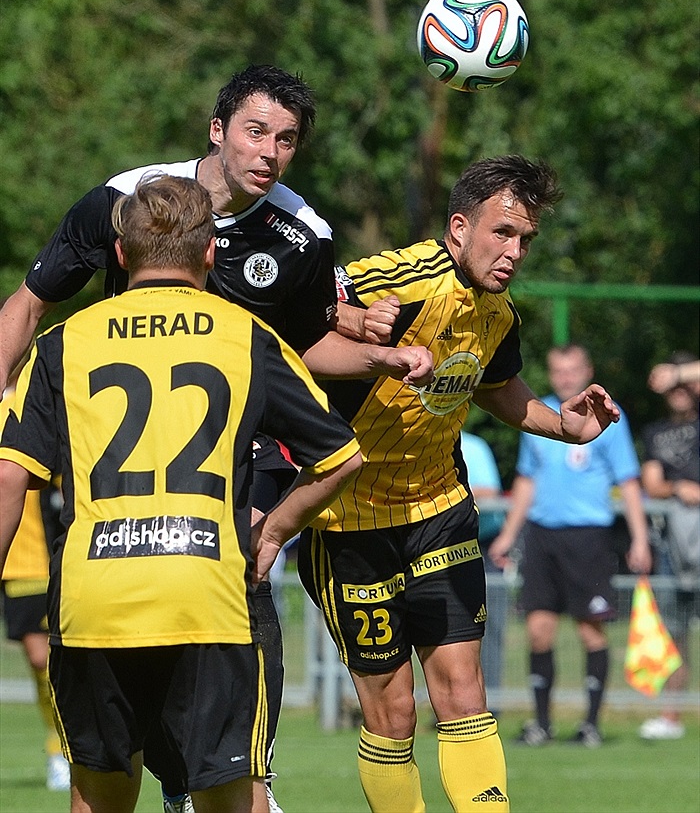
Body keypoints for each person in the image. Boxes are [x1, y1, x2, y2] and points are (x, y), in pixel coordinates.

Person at [0, 64, 431, 813]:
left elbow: (303, 350)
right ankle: (223, 780)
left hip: (195, 492)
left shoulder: (303, 235)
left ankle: (232, 774)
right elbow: (31, 296)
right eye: (256, 131)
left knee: (121, 769)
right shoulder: (124, 199)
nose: (270, 152)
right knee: (219, 642)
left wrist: (378, 357)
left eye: (287, 139)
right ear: (217, 130)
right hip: (169, 505)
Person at [296, 155, 628, 813]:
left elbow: (500, 389)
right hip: (346, 519)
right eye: (502, 233)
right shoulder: (402, 276)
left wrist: (564, 426)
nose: (514, 252)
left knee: (463, 693)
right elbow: (297, 326)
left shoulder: (497, 312)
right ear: (458, 228)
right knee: (392, 713)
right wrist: (373, 348)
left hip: (440, 508)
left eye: (525, 239)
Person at [489, 344, 653, 748]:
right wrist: (508, 535)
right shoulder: (537, 413)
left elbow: (628, 482)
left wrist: (640, 539)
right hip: (543, 537)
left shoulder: (607, 418)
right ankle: (541, 723)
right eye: (558, 371)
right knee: (539, 631)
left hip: (588, 537)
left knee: (590, 630)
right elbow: (527, 481)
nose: (565, 377)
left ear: (587, 370)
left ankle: (591, 723)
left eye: (572, 369)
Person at [1, 366, 70, 791]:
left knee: (43, 658)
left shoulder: (23, 402)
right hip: (13, 565)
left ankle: (60, 747)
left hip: (29, 554)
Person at [638, 351, 700, 740]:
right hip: (676, 544)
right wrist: (679, 487)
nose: (678, 391)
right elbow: (652, 483)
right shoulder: (655, 432)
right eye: (672, 387)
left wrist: (676, 371)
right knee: (675, 632)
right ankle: (672, 715)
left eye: (684, 384)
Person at [459, 431, 508, 710]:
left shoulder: (474, 447)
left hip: (483, 547)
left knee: (490, 632)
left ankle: (491, 703)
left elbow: (490, 491)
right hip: (439, 548)